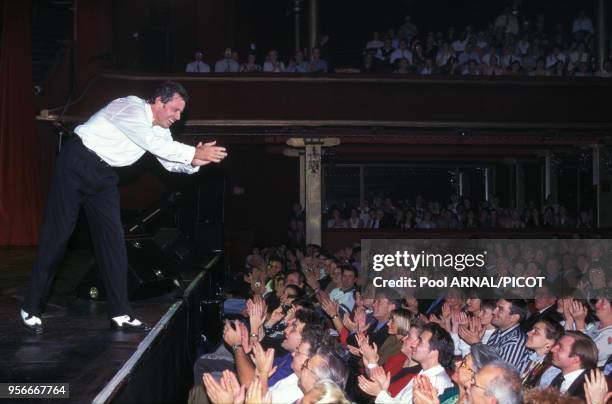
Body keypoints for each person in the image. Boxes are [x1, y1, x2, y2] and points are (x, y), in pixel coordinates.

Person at [21, 81, 228, 334]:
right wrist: (191, 153)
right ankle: (31, 307)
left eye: (181, 112)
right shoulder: (129, 108)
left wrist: (195, 160)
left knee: (114, 242)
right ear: (159, 102)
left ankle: (120, 313)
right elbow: (157, 146)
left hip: (104, 176)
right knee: (59, 236)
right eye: (175, 110)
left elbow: (169, 161)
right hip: (77, 163)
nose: (178, 117)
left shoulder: (159, 130)